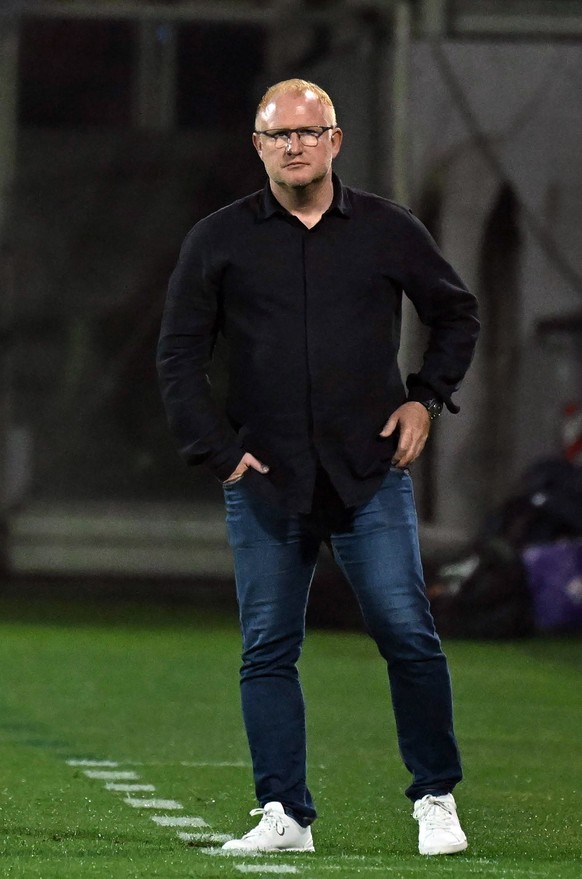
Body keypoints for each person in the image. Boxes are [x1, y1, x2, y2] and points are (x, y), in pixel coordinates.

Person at [157, 79, 479, 856]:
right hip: (265, 480)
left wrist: (424, 400)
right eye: (279, 135)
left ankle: (435, 797)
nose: (295, 144)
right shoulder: (219, 238)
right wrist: (223, 453)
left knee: (407, 630)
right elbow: (177, 356)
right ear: (258, 146)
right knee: (268, 647)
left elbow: (455, 312)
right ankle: (284, 814)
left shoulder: (388, 230)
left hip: (369, 472)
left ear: (336, 140)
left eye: (310, 130)